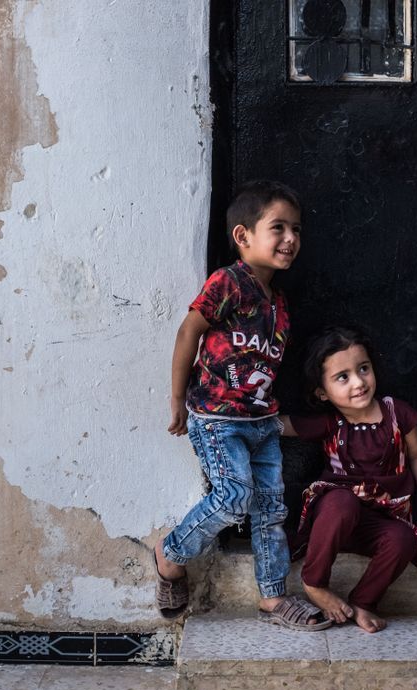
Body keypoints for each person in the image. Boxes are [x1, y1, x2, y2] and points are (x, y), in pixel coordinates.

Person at [154, 180, 329, 631]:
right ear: (243, 236)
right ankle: (170, 553)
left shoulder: (279, 303)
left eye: (297, 230)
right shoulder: (228, 282)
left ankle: (273, 598)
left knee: (271, 510)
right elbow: (188, 331)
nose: (291, 238)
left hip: (262, 422)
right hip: (216, 419)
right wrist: (176, 399)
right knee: (234, 499)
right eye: (278, 228)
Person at [279, 325, 417, 633]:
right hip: (335, 519)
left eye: (363, 369)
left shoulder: (398, 414)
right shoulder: (330, 423)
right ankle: (314, 582)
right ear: (322, 392)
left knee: (404, 539)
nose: (358, 382)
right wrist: (240, 415)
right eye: (343, 377)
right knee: (341, 502)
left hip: (378, 522)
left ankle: (364, 601)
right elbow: (280, 425)